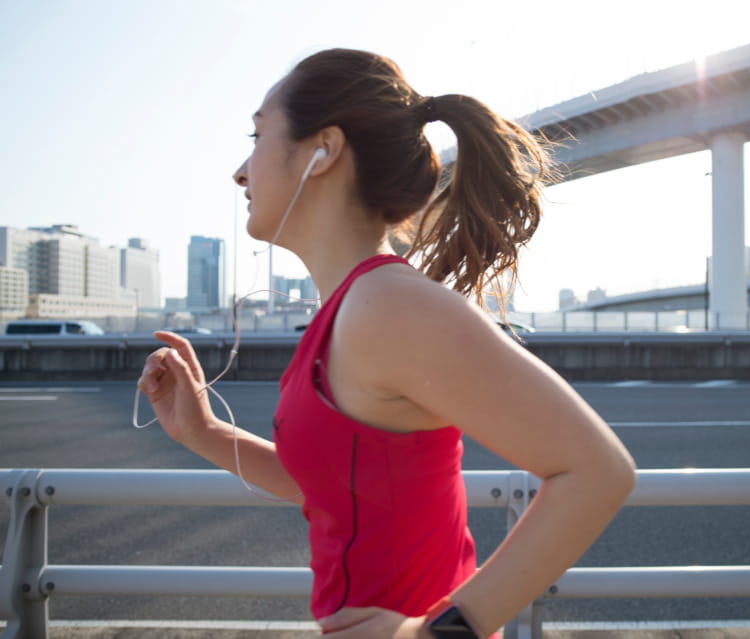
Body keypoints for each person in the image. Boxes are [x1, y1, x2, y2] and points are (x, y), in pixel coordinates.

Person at [137, 48, 636, 639]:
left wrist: (442, 632)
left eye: (257, 134)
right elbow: (332, 489)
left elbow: (597, 470)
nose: (241, 171)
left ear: (323, 150)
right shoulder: (349, 309)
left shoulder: (386, 308)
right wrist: (205, 434)